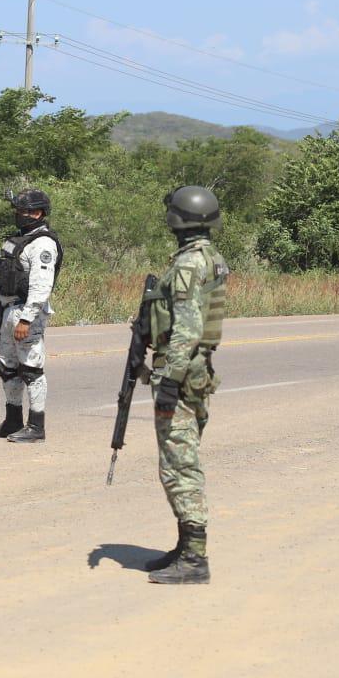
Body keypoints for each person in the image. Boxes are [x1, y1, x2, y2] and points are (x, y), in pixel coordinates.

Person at [143, 186, 229, 585]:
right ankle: (184, 547)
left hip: (183, 375)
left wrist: (169, 382)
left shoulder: (188, 265)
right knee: (181, 462)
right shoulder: (210, 258)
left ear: (178, 219)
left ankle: (195, 558)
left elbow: (187, 331)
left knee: (179, 466)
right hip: (199, 373)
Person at [0, 189, 61, 443]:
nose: (19, 215)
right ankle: (13, 420)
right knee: (6, 367)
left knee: (31, 369)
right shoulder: (18, 240)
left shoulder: (43, 244)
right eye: (18, 210)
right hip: (7, 310)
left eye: (24, 210)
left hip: (26, 312)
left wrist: (27, 319)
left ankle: (36, 427)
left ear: (38, 213)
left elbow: (41, 287)